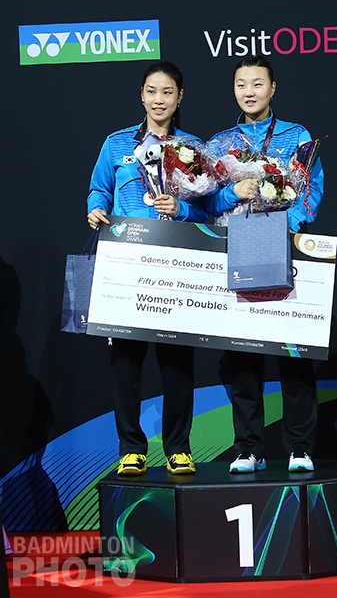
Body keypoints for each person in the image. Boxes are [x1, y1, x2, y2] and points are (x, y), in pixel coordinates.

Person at [87, 61, 209, 475]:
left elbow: (208, 208)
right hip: (126, 263)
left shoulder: (193, 148)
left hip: (176, 263)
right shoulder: (116, 143)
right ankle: (131, 448)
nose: (159, 100)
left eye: (168, 92)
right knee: (125, 361)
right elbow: (99, 189)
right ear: (141, 95)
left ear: (179, 98)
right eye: (152, 91)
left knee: (177, 361)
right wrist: (95, 208)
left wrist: (182, 208)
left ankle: (178, 447)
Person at [207, 55, 324, 474]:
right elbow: (206, 201)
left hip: (285, 249)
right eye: (242, 84)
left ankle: (300, 447)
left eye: (258, 83)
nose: (249, 92)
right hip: (238, 249)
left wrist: (288, 224)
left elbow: (311, 187)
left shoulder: (296, 135)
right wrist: (232, 193)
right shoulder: (219, 144)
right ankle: (248, 448)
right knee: (242, 355)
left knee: (293, 353)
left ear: (273, 88)